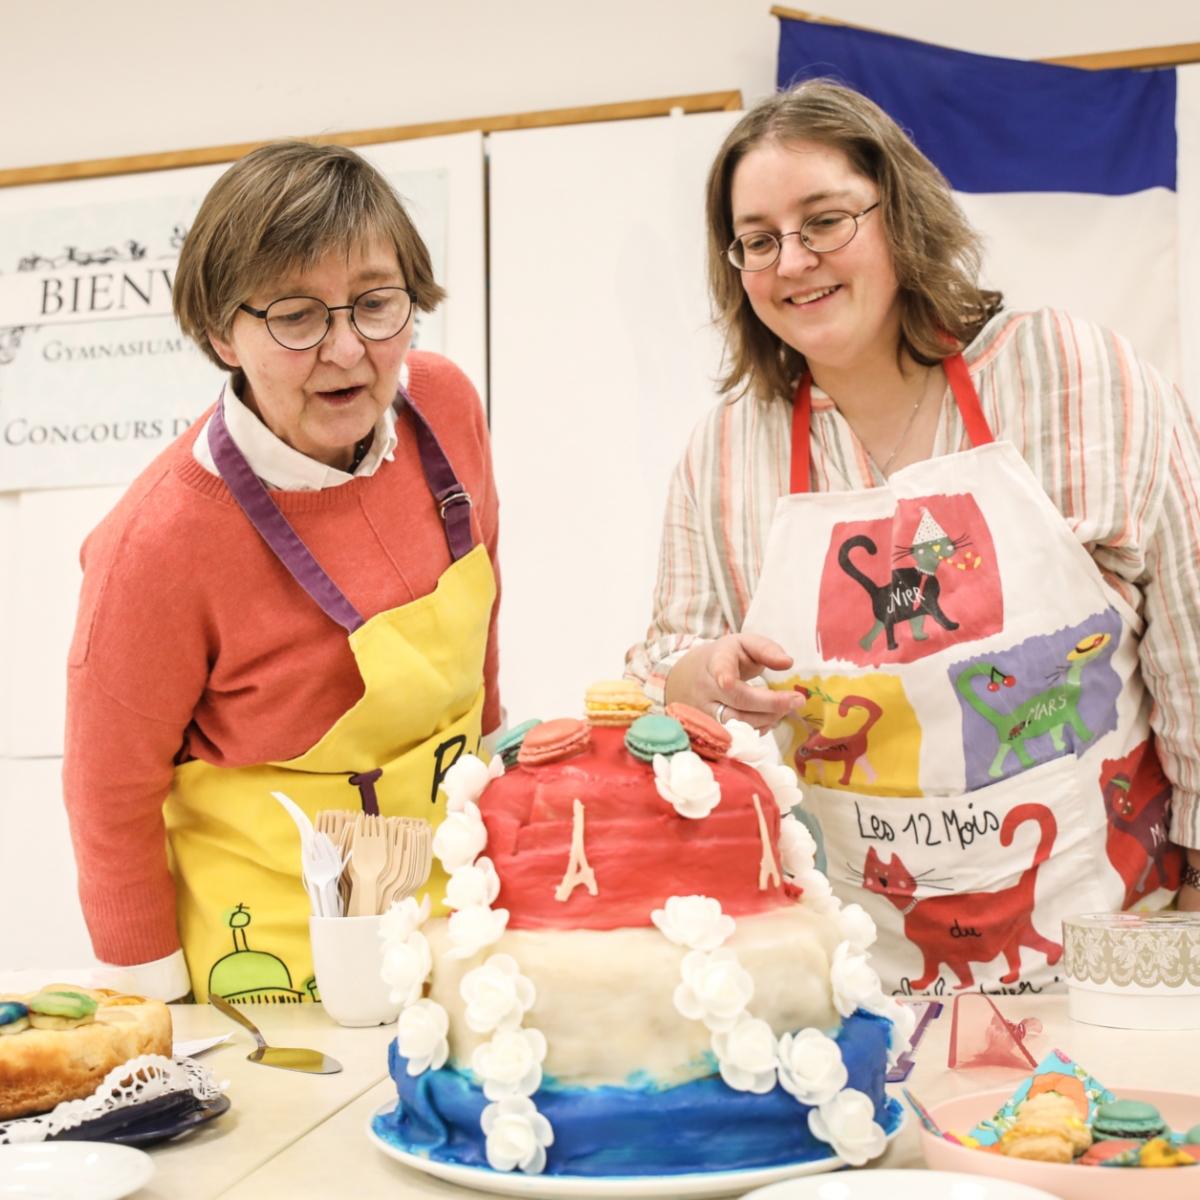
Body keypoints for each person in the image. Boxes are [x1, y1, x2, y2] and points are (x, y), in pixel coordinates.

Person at [627, 81, 1200, 994]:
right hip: (856, 978)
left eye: (825, 221)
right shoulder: (727, 453)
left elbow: (1190, 641)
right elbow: (664, 677)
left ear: (899, 213)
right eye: (760, 240)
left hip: (1116, 944)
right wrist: (698, 678)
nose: (794, 261)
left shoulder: (1076, 376)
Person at [63, 142, 501, 1003]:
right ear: (222, 332)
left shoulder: (444, 406)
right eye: (297, 317)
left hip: (455, 911)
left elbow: (483, 645)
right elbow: (107, 798)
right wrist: (160, 1018)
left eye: (376, 304)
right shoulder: (158, 540)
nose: (346, 350)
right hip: (271, 961)